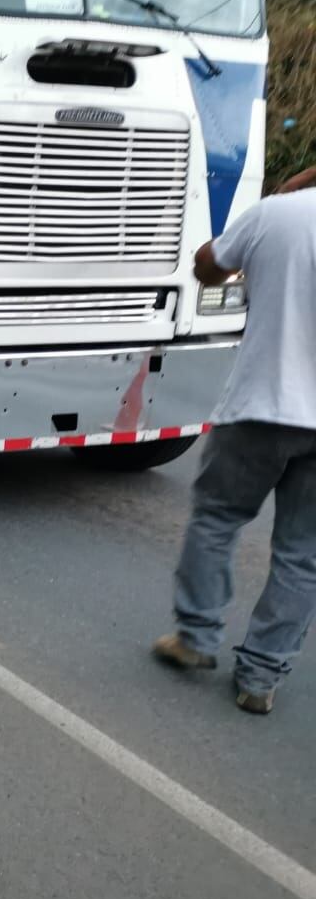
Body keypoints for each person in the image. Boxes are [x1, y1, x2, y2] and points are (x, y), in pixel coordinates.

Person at [152, 185, 316, 715]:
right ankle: (260, 679)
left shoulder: (278, 213)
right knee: (303, 555)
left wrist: (280, 198)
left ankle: (196, 638)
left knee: (218, 520)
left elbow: (208, 266)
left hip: (260, 408)